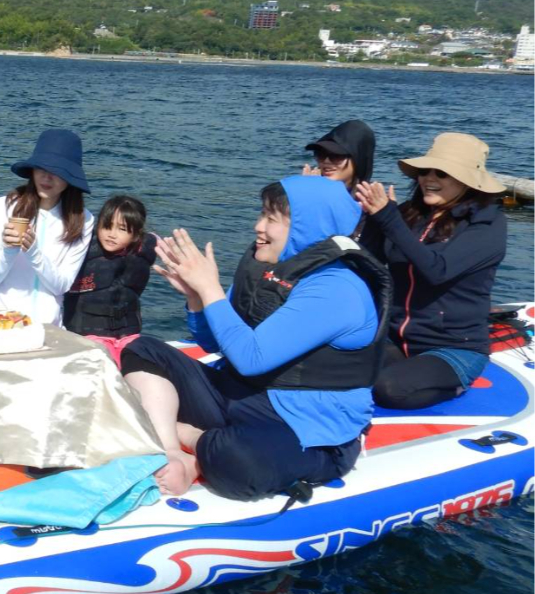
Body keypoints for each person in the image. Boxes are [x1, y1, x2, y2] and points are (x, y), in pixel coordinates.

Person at [120, 176, 390, 501]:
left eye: (271, 219)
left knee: (239, 461)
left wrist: (210, 289)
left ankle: (190, 437)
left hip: (306, 425)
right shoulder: (271, 271)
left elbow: (251, 359)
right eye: (261, 214)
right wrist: (196, 298)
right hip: (245, 397)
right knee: (142, 349)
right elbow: (216, 343)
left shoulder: (337, 288)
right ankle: (170, 453)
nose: (258, 226)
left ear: (309, 226)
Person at [354, 132, 507, 409]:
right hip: (397, 339)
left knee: (388, 390)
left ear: (467, 182)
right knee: (342, 371)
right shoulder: (409, 215)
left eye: (442, 173)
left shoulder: (487, 226)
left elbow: (437, 270)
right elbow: (369, 262)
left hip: (454, 348)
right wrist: (372, 219)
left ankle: (457, 386)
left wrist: (389, 219)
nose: (429, 179)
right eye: (425, 171)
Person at [0, 128, 93, 326]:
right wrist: (9, 251)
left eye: (57, 171)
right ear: (32, 170)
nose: (47, 177)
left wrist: (33, 253)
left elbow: (61, 286)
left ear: (70, 178)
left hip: (48, 328)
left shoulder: (83, 219)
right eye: (41, 168)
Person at [63, 194, 158, 363]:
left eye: (122, 229)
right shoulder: (82, 250)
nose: (112, 235)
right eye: (106, 226)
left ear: (136, 235)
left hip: (128, 334)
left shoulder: (144, 252)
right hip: (86, 335)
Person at [301, 119, 376, 240]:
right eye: (320, 155)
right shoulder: (309, 192)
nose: (326, 161)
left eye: (336, 156)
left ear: (358, 158)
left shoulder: (370, 203)